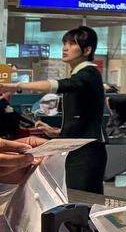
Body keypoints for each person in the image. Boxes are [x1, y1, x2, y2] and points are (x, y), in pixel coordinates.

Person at [23, 25, 107, 193]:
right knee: (73, 200)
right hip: (77, 149)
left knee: (82, 202)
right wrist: (58, 132)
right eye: (64, 43)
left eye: (72, 44)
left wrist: (16, 86)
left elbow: (63, 85)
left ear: (87, 50)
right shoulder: (82, 75)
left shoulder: (88, 74)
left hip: (86, 153)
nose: (65, 48)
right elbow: (82, 117)